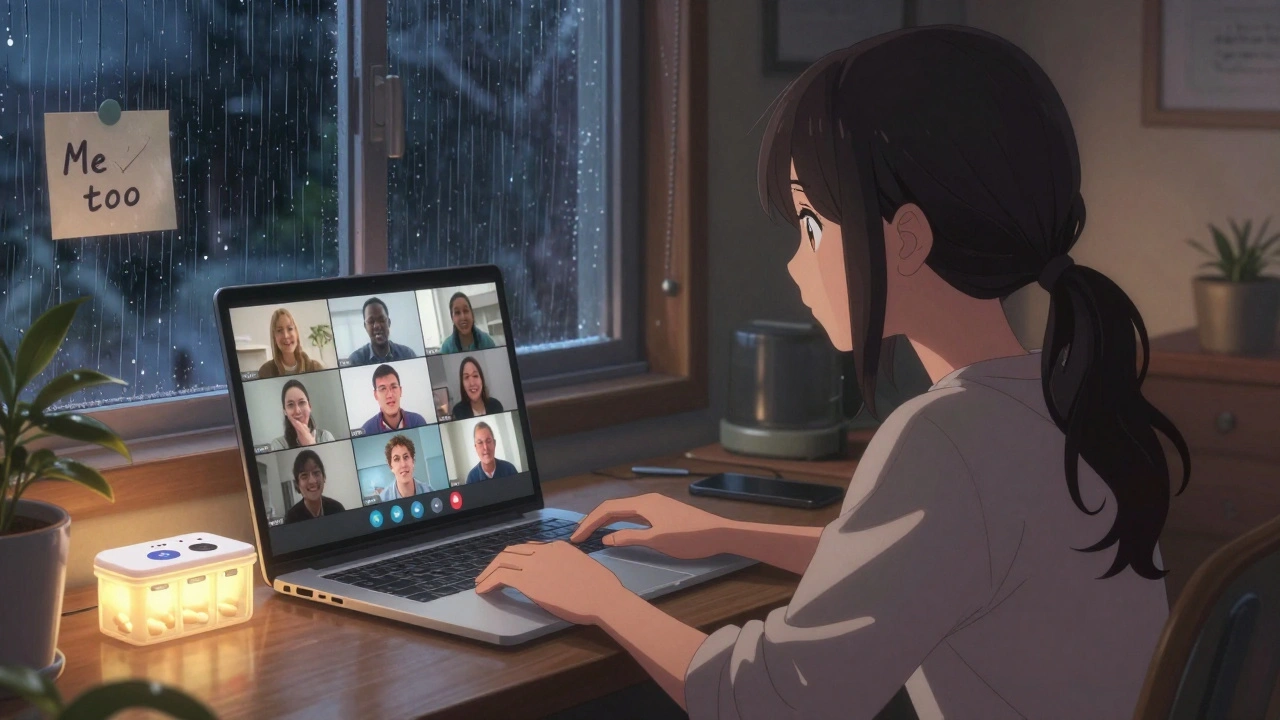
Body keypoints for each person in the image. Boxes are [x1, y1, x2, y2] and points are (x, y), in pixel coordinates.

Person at [472, 26, 1192, 720]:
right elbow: (930, 567)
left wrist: (599, 595)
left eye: (813, 225)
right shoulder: (1052, 396)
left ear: (907, 239)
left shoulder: (946, 438)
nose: (795, 265)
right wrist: (729, 533)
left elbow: (766, 699)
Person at [347, 297, 418, 366]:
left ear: (389, 323)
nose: (377, 326)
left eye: (382, 320)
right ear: (365, 327)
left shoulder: (407, 354)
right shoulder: (355, 360)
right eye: (371, 321)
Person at [360, 364, 428, 435]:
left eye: (394, 387)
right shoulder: (366, 431)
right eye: (383, 389)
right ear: (375, 395)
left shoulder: (418, 422)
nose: (390, 395)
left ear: (400, 391)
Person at [257, 308, 324, 378]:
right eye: (279, 330)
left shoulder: (315, 368)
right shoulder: (265, 372)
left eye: (290, 329)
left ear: (296, 333)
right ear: (274, 337)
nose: (286, 336)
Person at [269, 380, 336, 450]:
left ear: (309, 406)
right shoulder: (278, 444)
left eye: (302, 402)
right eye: (290, 405)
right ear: (285, 411)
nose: (297, 411)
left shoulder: (325, 437)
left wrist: (311, 443)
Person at [283, 450, 345, 523]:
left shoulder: (337, 509)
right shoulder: (291, 518)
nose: (312, 481)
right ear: (297, 484)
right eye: (304, 475)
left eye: (316, 473)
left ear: (324, 477)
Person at [376, 434, 429, 502]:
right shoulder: (382, 500)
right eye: (396, 459)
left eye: (406, 457)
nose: (403, 465)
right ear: (390, 466)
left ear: (413, 461)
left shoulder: (429, 491)